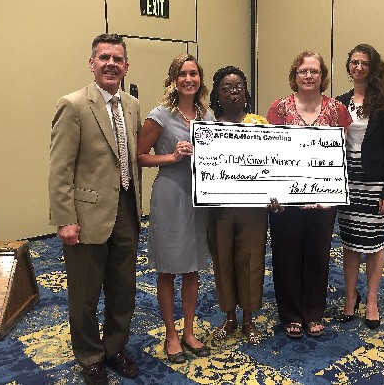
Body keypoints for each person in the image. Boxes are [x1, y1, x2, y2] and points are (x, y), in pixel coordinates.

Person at [48, 34, 141, 385]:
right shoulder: (72, 105)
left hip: (127, 214)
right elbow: (59, 169)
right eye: (104, 57)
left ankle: (115, 347)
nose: (111, 64)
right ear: (92, 63)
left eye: (118, 59)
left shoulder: (131, 106)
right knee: (85, 296)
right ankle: (90, 356)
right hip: (85, 219)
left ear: (126, 66)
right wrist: (65, 219)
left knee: (123, 288)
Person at [267, 50, 352, 339]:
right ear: (295, 75)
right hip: (287, 200)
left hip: (323, 199)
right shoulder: (279, 108)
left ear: (322, 76)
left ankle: (314, 311)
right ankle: (291, 313)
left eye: (314, 71)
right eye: (303, 70)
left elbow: (344, 152)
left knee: (318, 254)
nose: (308, 75)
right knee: (286, 254)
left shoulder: (337, 110)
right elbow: (269, 153)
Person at [137, 54, 214, 364]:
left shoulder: (206, 116)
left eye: (193, 73)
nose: (188, 79)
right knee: (168, 268)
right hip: (170, 194)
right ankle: (170, 334)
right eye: (182, 74)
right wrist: (170, 157)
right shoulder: (160, 115)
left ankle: (190, 331)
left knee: (193, 267)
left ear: (200, 79)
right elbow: (139, 156)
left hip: (199, 197)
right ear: (173, 79)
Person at [336, 43, 384, 330]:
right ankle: (351, 297)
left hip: (374, 182)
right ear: (348, 66)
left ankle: (372, 300)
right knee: (349, 243)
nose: (358, 67)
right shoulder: (340, 101)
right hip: (346, 182)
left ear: (372, 67)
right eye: (354, 62)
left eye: (364, 63)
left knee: (373, 244)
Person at [207, 66, 269, 345]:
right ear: (217, 94)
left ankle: (248, 319)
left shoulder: (260, 124)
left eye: (240, 86)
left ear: (246, 92)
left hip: (253, 208)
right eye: (227, 88)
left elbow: (274, 164)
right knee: (223, 261)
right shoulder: (207, 125)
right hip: (218, 207)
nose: (234, 92)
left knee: (251, 261)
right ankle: (229, 316)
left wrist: (276, 194)